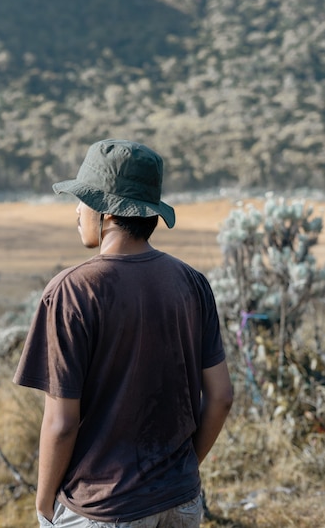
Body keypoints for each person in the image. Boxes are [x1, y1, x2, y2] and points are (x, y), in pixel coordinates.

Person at [13, 138, 233, 528]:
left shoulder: (71, 291)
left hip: (103, 508)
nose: (77, 212)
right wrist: (178, 471)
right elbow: (221, 397)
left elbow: (61, 423)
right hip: (181, 500)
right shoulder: (192, 282)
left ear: (109, 213)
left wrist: (44, 505)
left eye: (83, 200)